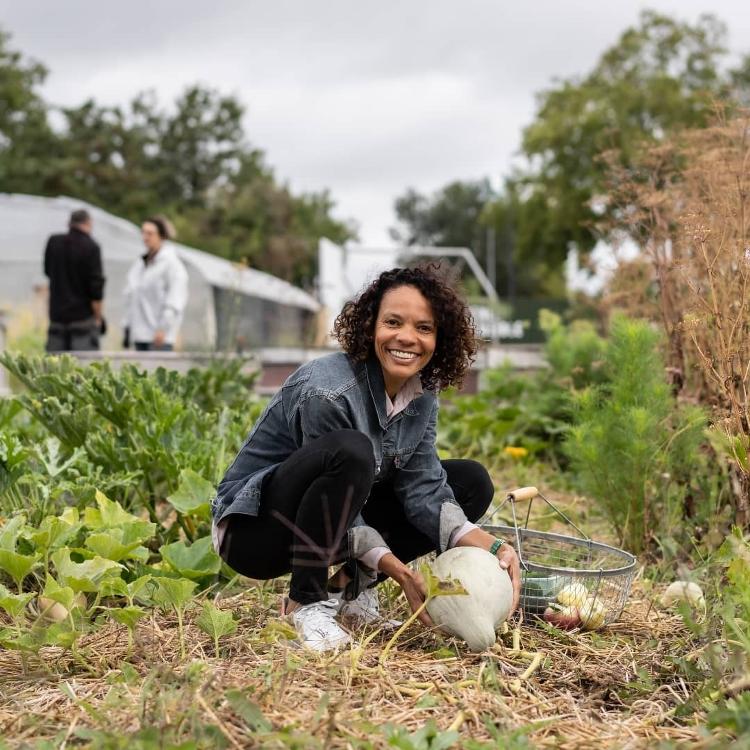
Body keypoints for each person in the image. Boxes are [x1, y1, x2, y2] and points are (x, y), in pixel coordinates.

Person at [211, 265, 521, 652]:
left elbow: (424, 487)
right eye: (393, 322)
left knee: (469, 482)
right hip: (256, 534)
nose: (407, 338)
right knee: (351, 451)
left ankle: (347, 593)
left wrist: (494, 547)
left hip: (330, 522)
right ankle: (305, 603)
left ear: (440, 339)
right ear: (370, 326)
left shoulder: (422, 393)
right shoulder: (328, 391)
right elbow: (341, 494)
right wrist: (400, 571)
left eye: (424, 328)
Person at [122, 216, 188, 351]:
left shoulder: (172, 264)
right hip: (140, 336)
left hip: (159, 338)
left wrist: (163, 329)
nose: (145, 237)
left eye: (150, 233)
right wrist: (127, 327)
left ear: (162, 236)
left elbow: (175, 301)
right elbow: (130, 297)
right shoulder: (139, 265)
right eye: (143, 232)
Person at [43, 209, 105, 352]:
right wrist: (98, 317)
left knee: (55, 370)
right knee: (82, 368)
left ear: (69, 223)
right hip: (82, 319)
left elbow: (47, 271)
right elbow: (96, 288)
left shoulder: (54, 242)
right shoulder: (91, 246)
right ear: (88, 223)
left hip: (57, 317)